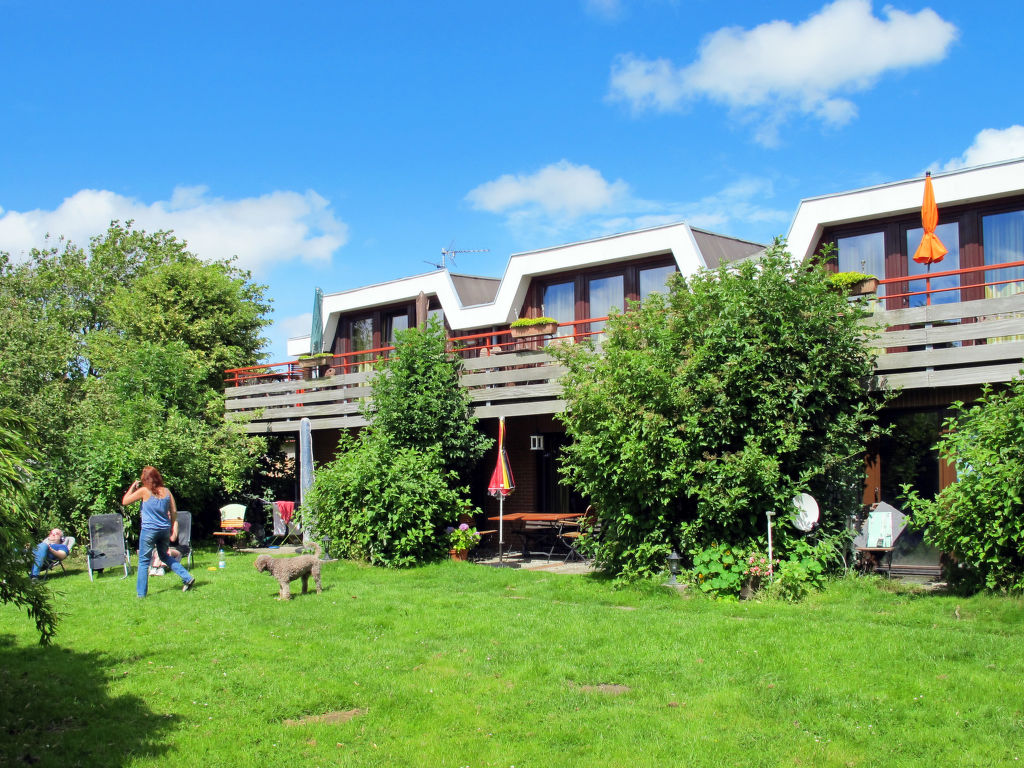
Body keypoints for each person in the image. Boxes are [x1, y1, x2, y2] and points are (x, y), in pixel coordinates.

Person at [122, 466, 196, 597]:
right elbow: (173, 512)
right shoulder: (167, 492)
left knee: (144, 561)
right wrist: (173, 527)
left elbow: (125, 501)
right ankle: (187, 577)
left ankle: (141, 594)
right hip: (164, 530)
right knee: (164, 556)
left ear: (145, 479)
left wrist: (132, 487)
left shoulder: (144, 491)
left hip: (149, 530)